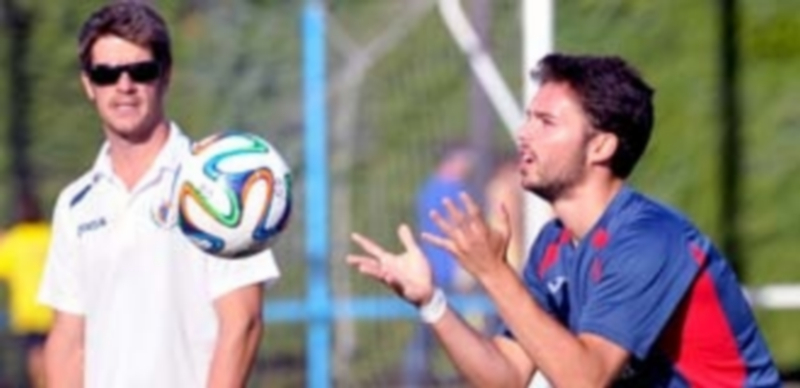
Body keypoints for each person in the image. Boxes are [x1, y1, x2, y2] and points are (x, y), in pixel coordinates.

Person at [347, 53, 781, 387]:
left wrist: (494, 273)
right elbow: (507, 375)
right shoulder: (555, 245)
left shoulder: (650, 240)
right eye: (529, 117)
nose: (523, 133)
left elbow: (583, 380)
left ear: (601, 147)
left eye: (546, 122)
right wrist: (431, 302)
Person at [37, 3, 280, 388]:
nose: (124, 86)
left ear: (165, 76)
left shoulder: (217, 182)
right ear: (88, 84)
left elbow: (243, 322)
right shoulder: (74, 203)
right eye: (106, 74)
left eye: (141, 70)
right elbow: (68, 341)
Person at [403, 143, 475, 387]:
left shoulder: (427, 190)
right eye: (464, 160)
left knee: (427, 332)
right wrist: (464, 269)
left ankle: (417, 379)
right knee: (463, 333)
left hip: (429, 272)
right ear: (452, 161)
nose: (467, 166)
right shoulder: (457, 192)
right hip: (449, 273)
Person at [0, 194, 52, 388]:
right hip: (55, 308)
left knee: (36, 354)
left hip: (28, 310)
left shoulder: (15, 240)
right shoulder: (51, 234)